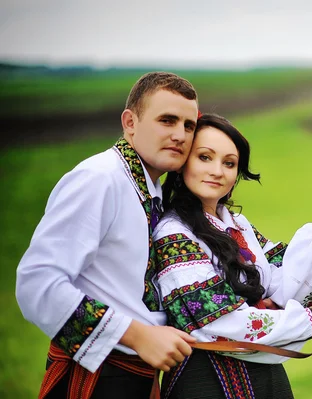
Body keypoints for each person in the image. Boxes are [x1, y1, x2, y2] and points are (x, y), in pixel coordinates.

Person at [15, 71, 201, 399]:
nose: (180, 135)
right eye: (167, 120)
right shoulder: (99, 179)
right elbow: (36, 284)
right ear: (130, 122)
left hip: (135, 376)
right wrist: (138, 336)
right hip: (99, 376)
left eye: (189, 125)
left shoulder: (151, 188)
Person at [154, 113, 312, 399]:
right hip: (208, 381)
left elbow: (285, 282)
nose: (217, 170)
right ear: (183, 161)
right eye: (204, 157)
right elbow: (223, 322)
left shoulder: (237, 224)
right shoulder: (173, 234)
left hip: (265, 376)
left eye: (229, 163)